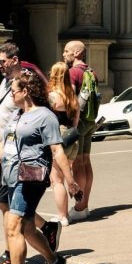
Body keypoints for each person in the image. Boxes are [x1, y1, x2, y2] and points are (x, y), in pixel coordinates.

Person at [0, 71, 80, 264]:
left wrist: (70, 180)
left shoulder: (45, 117)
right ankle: (55, 260)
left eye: (13, 91)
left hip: (31, 177)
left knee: (13, 226)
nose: (10, 94)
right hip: (11, 175)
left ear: (26, 92)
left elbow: (57, 150)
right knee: (28, 228)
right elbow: (4, 145)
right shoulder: (16, 115)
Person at [0, 42, 61, 264]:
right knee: (6, 204)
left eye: (2, 62)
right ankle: (46, 228)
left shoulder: (24, 83)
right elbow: (1, 117)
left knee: (9, 207)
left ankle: (10, 253)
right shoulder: (6, 84)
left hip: (14, 155)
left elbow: (42, 109)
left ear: (14, 60)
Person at [63, 40, 98, 222]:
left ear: (76, 53)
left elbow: (72, 99)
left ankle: (79, 207)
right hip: (90, 120)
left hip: (78, 122)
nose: (64, 54)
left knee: (77, 163)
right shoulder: (90, 71)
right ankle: (85, 204)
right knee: (85, 161)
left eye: (67, 51)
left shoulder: (73, 72)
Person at [47, 61, 80, 226]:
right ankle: (67, 212)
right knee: (67, 175)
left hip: (59, 138)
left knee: (56, 179)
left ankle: (62, 216)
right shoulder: (73, 96)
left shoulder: (53, 96)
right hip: (73, 139)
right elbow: (76, 121)